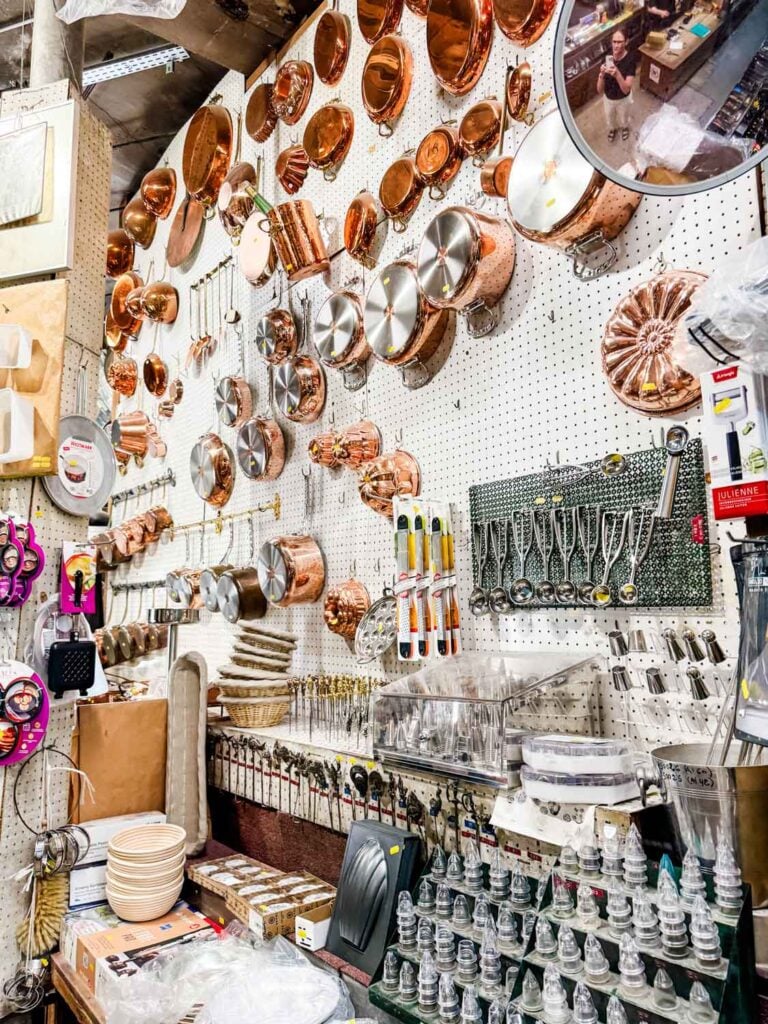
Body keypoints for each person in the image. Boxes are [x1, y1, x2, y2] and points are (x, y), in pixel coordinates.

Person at [597, 28, 637, 142]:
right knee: (609, 118)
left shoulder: (630, 60)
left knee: (624, 117)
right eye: (614, 42)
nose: (616, 45)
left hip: (623, 99)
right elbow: (599, 90)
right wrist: (601, 75)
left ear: (626, 42)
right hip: (608, 99)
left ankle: (625, 128)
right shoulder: (607, 59)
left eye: (619, 42)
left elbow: (626, 90)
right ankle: (612, 129)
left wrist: (617, 74)